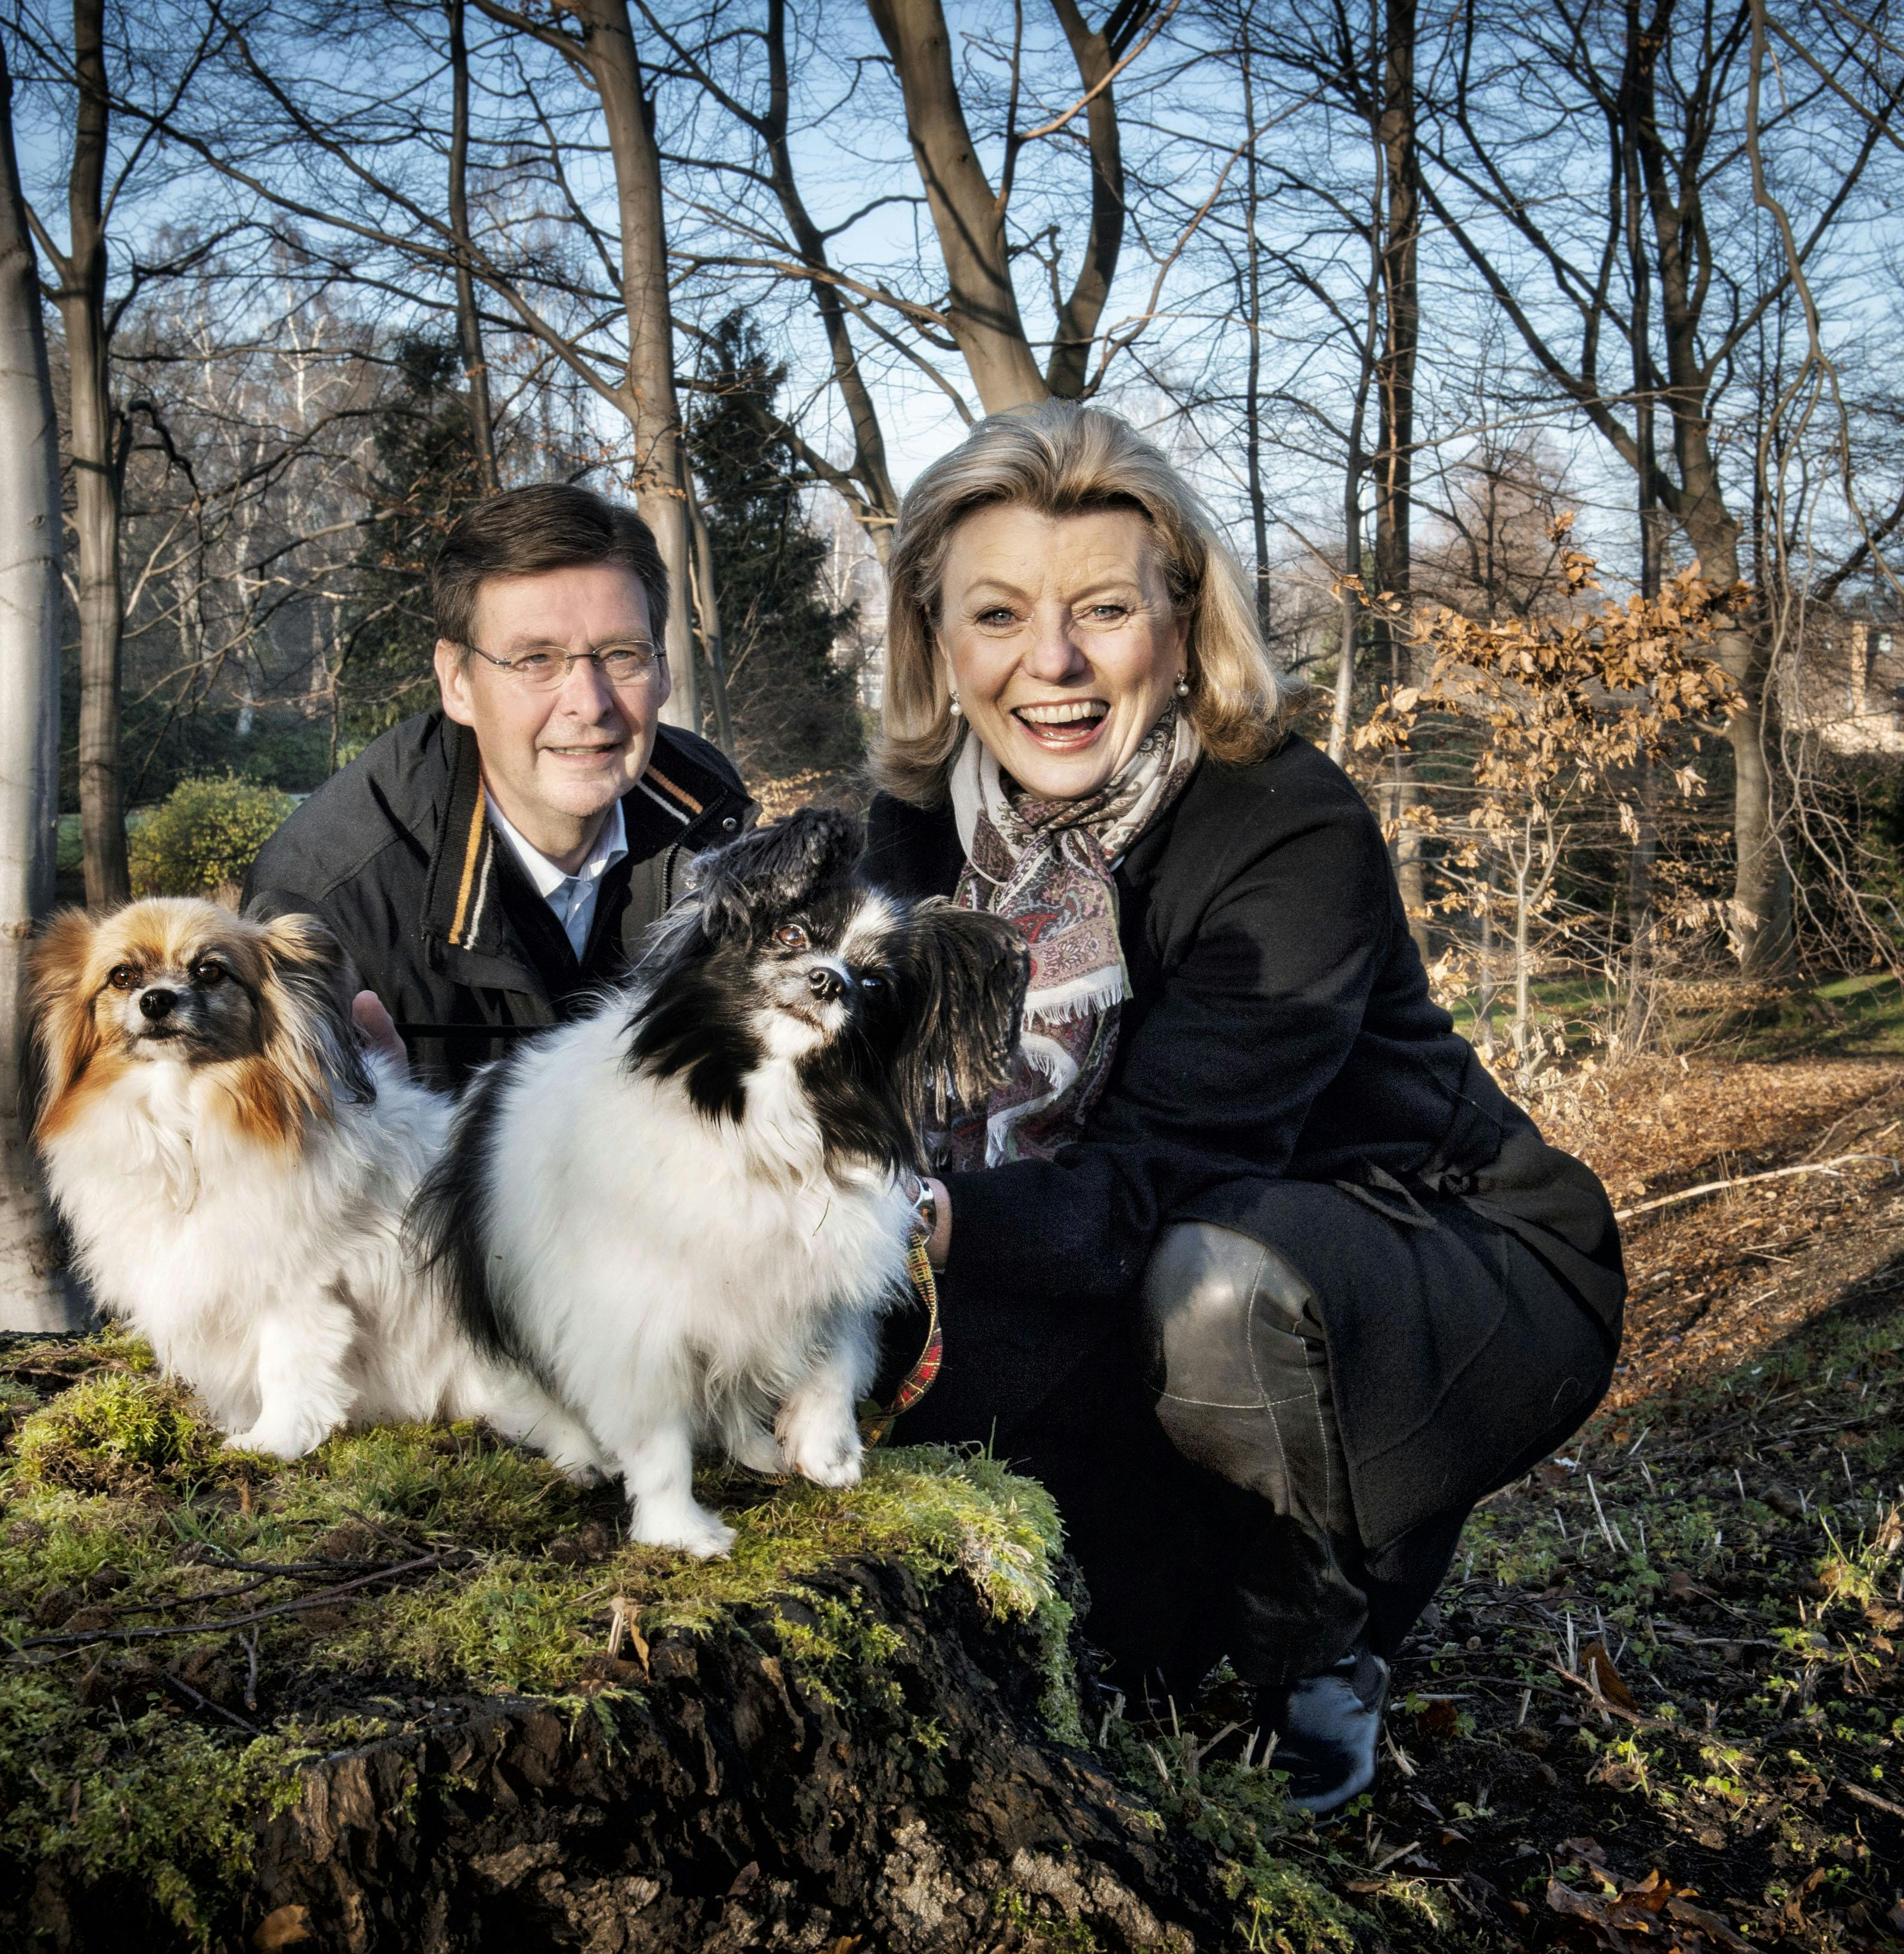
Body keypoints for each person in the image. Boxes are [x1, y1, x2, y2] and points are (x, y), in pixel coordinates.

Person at [861, 403, 1625, 1815]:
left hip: (1412, 1255)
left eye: (1101, 607)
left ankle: (1316, 1652)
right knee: (1102, 1649)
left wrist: (876, 1219)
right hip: (1109, 1261)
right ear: (934, 639)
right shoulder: (913, 825)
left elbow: (1134, 1194)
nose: (1052, 663)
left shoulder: (1280, 825)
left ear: (1179, 617)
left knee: (1213, 1282)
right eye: (997, 614)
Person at [246, 483, 755, 1087]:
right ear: (456, 681)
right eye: (535, 659)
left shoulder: (709, 816)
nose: (589, 705)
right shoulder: (327, 905)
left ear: (664, 671)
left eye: (621, 654)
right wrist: (393, 1137)